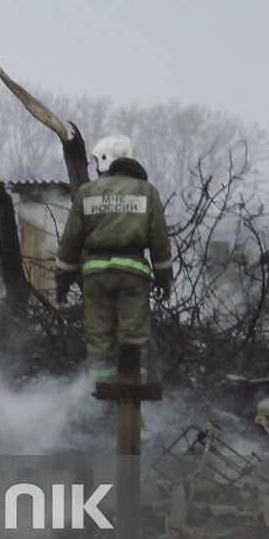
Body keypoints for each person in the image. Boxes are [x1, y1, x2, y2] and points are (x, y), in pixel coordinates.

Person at [54, 135, 173, 381]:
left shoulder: (87, 192)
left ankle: (102, 396)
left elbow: (70, 243)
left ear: (106, 161)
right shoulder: (147, 192)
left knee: (99, 335)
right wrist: (164, 280)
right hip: (133, 275)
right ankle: (130, 396)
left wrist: (62, 282)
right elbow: (159, 241)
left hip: (95, 277)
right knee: (133, 336)